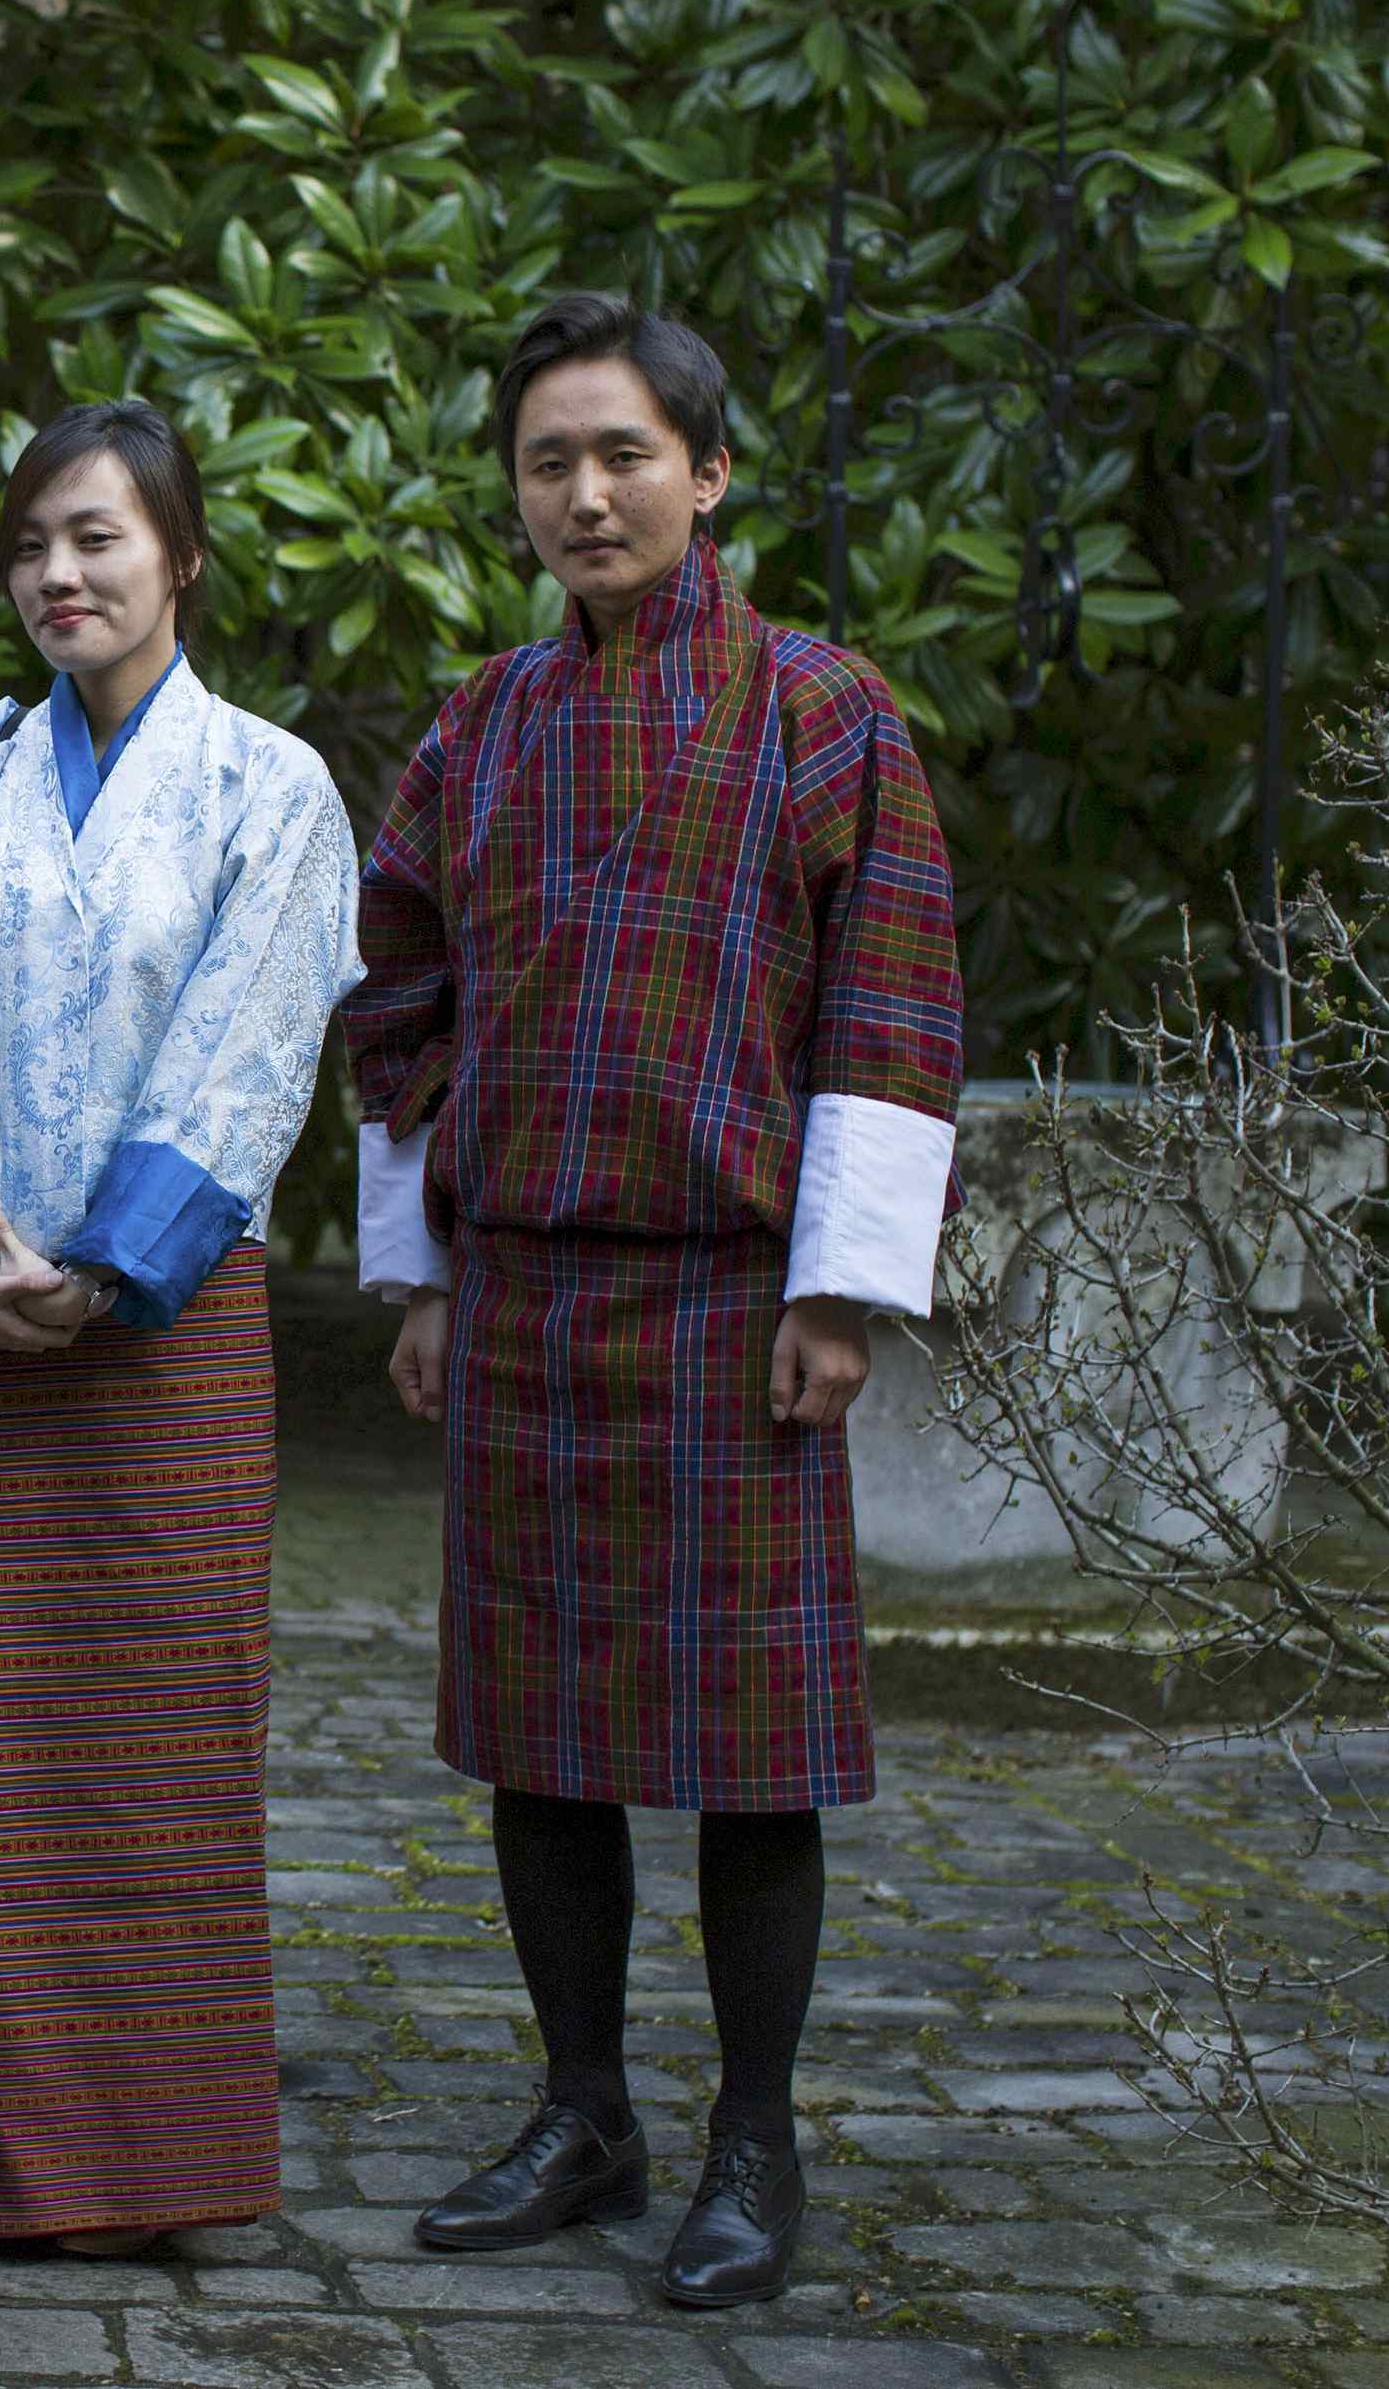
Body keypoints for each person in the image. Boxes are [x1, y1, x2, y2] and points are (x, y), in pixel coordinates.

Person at [348, 294, 962, 2308]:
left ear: (704, 473)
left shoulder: (818, 710)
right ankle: (582, 2103)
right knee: (544, 1739)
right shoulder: (481, 723)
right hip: (524, 1291)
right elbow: (402, 1000)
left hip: (729, 1304)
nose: (585, 491)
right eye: (547, 460)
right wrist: (418, 1265)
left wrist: (842, 1288)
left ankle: (751, 2140)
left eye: (620, 453)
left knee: (748, 1750)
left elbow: (884, 1003)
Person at [0, 399, 362, 2252]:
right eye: (31, 547)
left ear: (183, 556)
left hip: (159, 1338)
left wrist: (109, 1266)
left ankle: (139, 2166)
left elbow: (249, 1047)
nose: (58, 575)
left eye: (98, 538)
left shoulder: (269, 787)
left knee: (148, 1738)